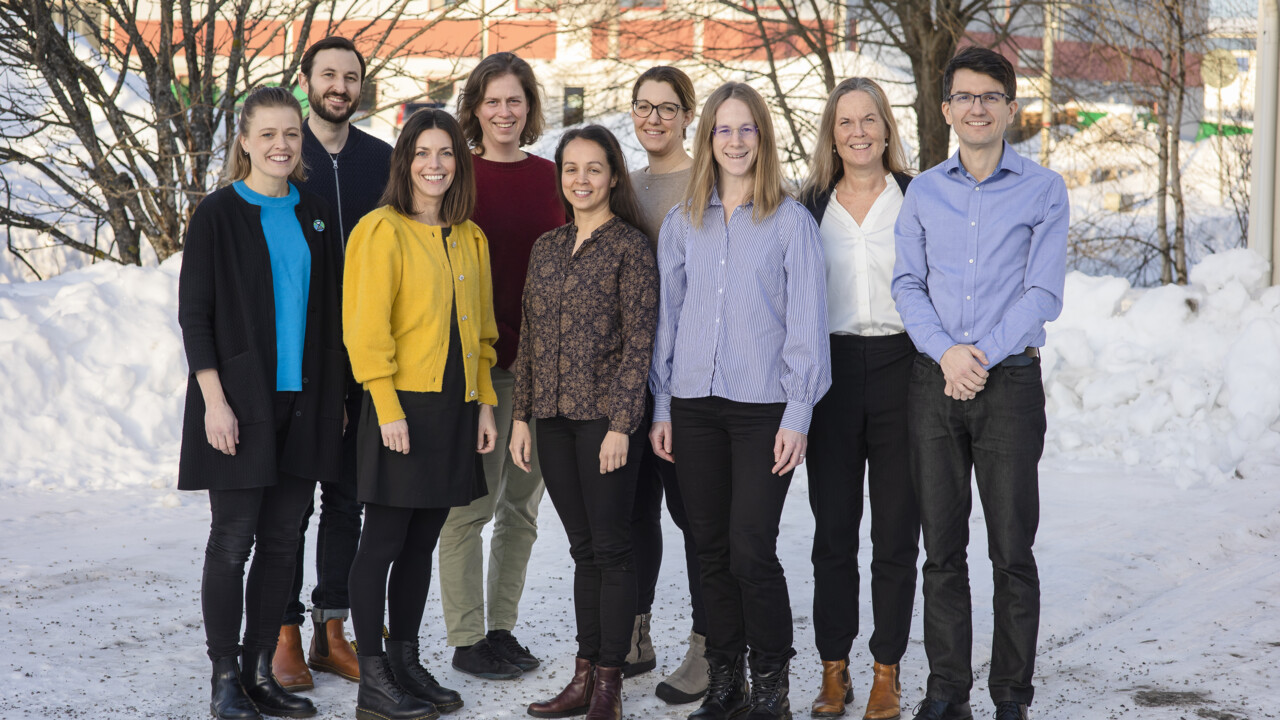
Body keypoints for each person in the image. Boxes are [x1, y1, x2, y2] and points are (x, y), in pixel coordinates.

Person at [891, 46, 1068, 720]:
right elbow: (907, 284)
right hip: (932, 383)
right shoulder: (923, 192)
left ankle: (1011, 696)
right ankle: (947, 691)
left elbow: (1042, 292)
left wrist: (979, 357)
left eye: (990, 96)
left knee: (1011, 550)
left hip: (1011, 385)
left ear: (1010, 108)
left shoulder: (1044, 190)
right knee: (941, 550)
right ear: (945, 109)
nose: (977, 107)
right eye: (964, 96)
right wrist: (947, 354)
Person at [649, 82, 831, 720]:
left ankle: (771, 688)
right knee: (709, 549)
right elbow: (668, 321)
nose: (734, 141)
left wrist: (798, 415)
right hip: (693, 406)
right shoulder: (682, 223)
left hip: (764, 411)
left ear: (763, 137)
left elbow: (807, 328)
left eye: (746, 128)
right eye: (723, 129)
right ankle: (725, 684)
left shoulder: (790, 222)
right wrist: (663, 405)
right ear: (707, 138)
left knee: (751, 547)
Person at [178, 85, 346, 720]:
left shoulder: (315, 215)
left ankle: (259, 670)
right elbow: (195, 314)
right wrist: (214, 402)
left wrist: (337, 397)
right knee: (232, 541)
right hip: (239, 404)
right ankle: (225, 677)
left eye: (292, 134)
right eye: (268, 134)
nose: (282, 145)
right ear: (245, 141)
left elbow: (330, 313)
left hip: (305, 403)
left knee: (282, 541)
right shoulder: (217, 213)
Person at [342, 107, 499, 720]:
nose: (435, 165)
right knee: (382, 541)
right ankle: (373, 680)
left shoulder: (470, 236)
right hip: (401, 408)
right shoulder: (379, 231)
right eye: (422, 153)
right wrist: (387, 409)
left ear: (459, 163)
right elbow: (365, 332)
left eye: (446, 153)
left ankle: (405, 663)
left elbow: (481, 334)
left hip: (454, 409)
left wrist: (483, 403)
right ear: (404, 161)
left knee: (422, 542)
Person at [511, 124, 659, 720]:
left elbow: (640, 344)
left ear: (614, 176)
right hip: (551, 418)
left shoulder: (631, 248)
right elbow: (529, 337)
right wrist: (521, 417)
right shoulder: (546, 248)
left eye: (594, 168)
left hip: (604, 422)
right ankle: (583, 674)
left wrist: (622, 425)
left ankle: (609, 685)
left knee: (612, 548)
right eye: (571, 169)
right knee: (582, 550)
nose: (582, 179)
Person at [437, 50, 565, 680]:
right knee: (470, 508)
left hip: (544, 369)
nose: (504, 112)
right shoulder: (456, 176)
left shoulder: (553, 177)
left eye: (515, 100)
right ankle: (466, 638)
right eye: (492, 101)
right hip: (478, 369)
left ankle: (500, 630)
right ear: (475, 108)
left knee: (521, 507)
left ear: (529, 106)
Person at [271, 35, 393, 692]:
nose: (339, 86)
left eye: (350, 76)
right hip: (299, 357)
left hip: (365, 356)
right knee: (292, 504)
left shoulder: (383, 160)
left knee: (348, 499)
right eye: (328, 74)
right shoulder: (285, 155)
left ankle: (332, 629)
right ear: (306, 79)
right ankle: (283, 630)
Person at [797, 77, 920, 720]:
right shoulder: (809, 206)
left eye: (868, 119)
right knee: (834, 533)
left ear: (887, 127)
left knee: (896, 533)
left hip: (904, 369)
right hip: (833, 375)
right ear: (832, 134)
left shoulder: (918, 196)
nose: (858, 132)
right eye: (845, 122)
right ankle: (833, 669)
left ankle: (886, 672)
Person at [625, 65, 710, 705]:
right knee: (633, 514)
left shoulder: (707, 181)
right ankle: (635, 634)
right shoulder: (624, 187)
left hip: (688, 380)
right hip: (627, 377)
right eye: (643, 106)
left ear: (687, 114)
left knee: (696, 517)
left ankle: (709, 646)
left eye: (666, 107)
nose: (654, 118)